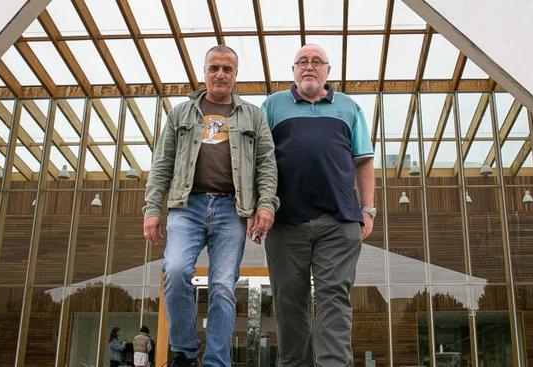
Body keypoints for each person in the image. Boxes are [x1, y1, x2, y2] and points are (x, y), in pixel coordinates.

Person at [143, 45, 278, 367]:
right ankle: (185, 351)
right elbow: (162, 163)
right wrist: (151, 210)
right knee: (175, 271)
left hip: (232, 209)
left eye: (227, 69)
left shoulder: (253, 115)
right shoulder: (181, 113)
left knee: (222, 285)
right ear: (204, 72)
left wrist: (266, 206)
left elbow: (266, 164)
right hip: (186, 206)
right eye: (214, 68)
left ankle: (216, 361)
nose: (220, 74)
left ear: (235, 75)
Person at [261, 43, 375, 367]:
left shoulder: (349, 108)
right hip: (285, 224)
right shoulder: (272, 107)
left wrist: (368, 209)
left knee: (334, 302)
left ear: (328, 70)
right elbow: (256, 160)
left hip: (338, 222)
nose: (309, 67)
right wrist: (259, 207)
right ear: (293, 70)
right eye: (302, 62)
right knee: (289, 304)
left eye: (316, 62)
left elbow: (363, 162)